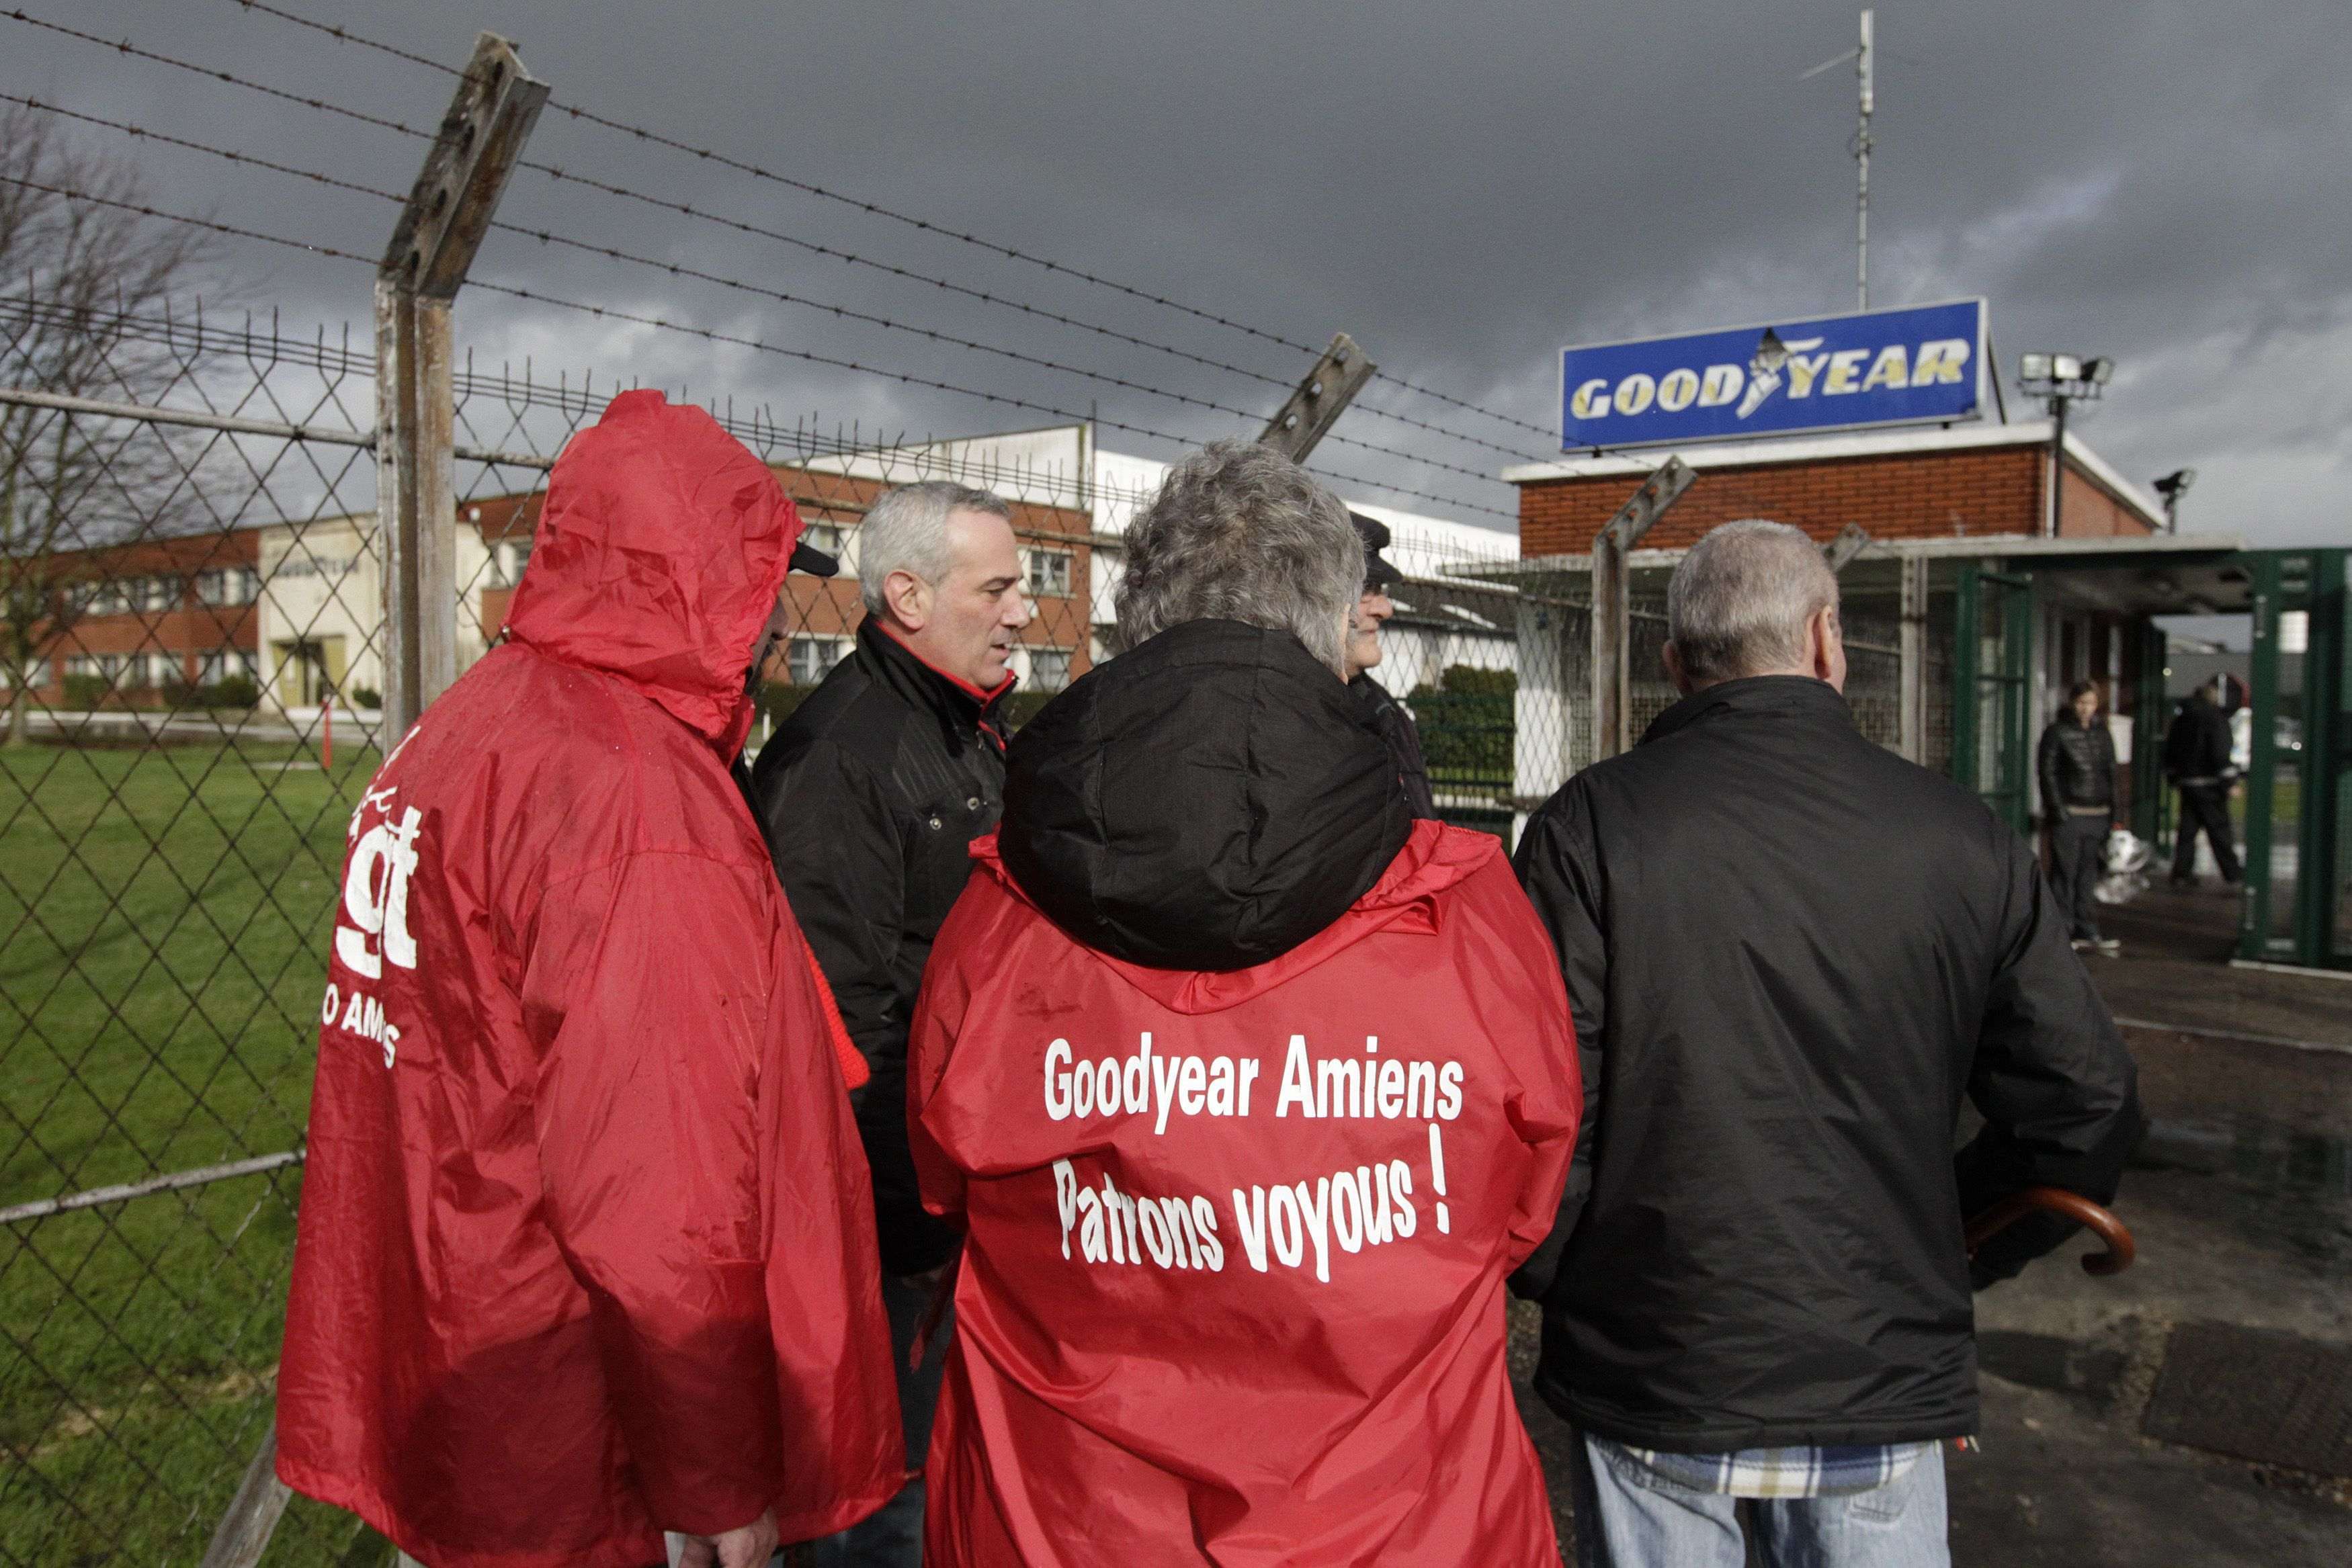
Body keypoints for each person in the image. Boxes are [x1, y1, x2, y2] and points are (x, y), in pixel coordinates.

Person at [905, 439, 1583, 1567]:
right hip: (1403, 1515)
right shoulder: (1463, 904)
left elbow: (946, 1175)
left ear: (1138, 617)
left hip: (1069, 1517)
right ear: (1329, 621)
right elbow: (1523, 1196)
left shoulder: (1001, 907)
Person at [276, 390, 903, 1568]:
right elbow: (658, 1187)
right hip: (588, 1441)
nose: (772, 623)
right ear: (691, 576)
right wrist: (718, 1474)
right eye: (756, 581)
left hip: (465, 1369)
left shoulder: (464, 728)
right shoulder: (630, 793)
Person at [1513, 519, 2142, 1568]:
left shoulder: (1589, 826)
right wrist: (1956, 1244)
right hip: (1878, 1364)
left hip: (1658, 1357)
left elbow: (1531, 1100)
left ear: (1676, 665)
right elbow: (2085, 1103)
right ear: (1826, 640)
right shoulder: (1959, 833)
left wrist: (1579, 1271)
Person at [747, 479, 1032, 1565]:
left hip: (958, 1195)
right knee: (878, 1511)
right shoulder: (841, 761)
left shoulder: (962, 726)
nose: (1021, 612)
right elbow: (837, 1028)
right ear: (906, 593)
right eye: (999, 587)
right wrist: (912, 1232)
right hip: (891, 1231)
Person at [1345, 512, 1437, 817]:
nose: (1385, 609)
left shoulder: (1387, 714)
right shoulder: (1279, 716)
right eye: (1364, 590)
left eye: (1381, 591)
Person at [2038, 679, 2121, 955]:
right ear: (2072, 703)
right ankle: (2062, 929)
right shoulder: (2057, 733)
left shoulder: (2103, 735)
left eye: (2091, 703)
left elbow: (2112, 774)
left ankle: (2087, 927)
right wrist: (2058, 811)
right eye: (2081, 702)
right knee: (2064, 872)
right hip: (2071, 815)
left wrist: (2114, 815)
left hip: (2097, 814)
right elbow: (2047, 773)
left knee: (2089, 873)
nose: (2086, 709)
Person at [2164, 675, 2242, 887]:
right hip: (2210, 785)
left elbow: (2170, 749)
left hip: (2187, 783)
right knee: (2219, 831)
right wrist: (2229, 782)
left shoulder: (2182, 718)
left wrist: (2174, 777)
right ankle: (2234, 875)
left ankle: (2181, 873)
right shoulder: (2215, 719)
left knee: (2187, 832)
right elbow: (2219, 752)